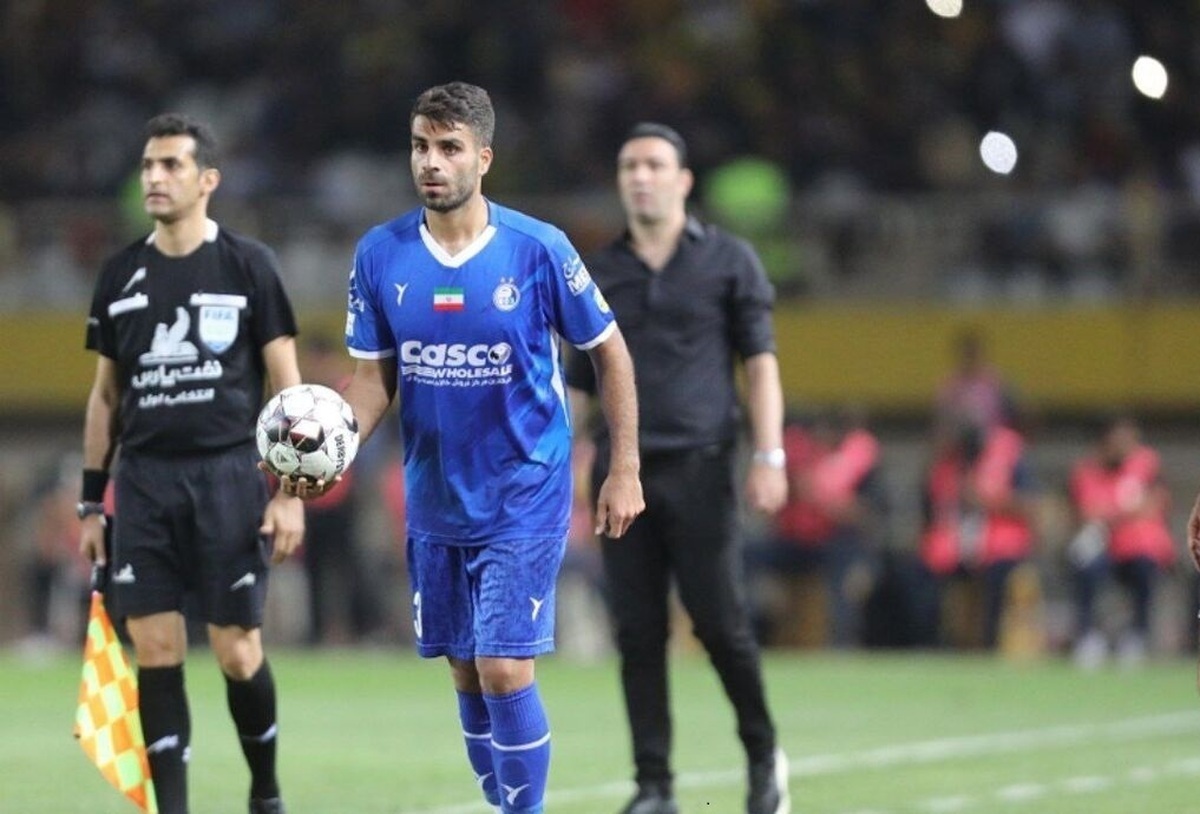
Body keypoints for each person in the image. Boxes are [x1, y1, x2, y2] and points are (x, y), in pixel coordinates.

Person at [289, 82, 644, 814]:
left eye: (449, 148)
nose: (431, 162)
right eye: (421, 146)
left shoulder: (537, 249)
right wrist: (331, 447)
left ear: (483, 158)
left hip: (525, 486)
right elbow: (372, 381)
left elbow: (609, 351)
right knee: (464, 668)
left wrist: (624, 467)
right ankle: (503, 793)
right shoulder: (380, 254)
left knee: (503, 667)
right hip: (435, 494)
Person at [78, 113, 303, 814]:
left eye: (171, 164)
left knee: (238, 652)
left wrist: (289, 493)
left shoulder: (248, 265)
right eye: (148, 165)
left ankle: (265, 792)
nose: (154, 176)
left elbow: (287, 388)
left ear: (208, 180)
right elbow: (105, 396)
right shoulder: (120, 274)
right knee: (155, 649)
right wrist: (91, 503)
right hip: (143, 483)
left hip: (228, 476)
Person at [565, 123, 791, 814]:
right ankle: (653, 785)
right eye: (629, 165)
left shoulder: (729, 260)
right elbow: (577, 381)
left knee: (721, 624)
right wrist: (561, 465)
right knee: (637, 634)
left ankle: (763, 756)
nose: (641, 176)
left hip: (702, 466)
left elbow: (760, 364)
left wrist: (769, 454)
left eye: (655, 165)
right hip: (619, 474)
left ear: (684, 180)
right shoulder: (597, 271)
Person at [917, 419, 1037, 649]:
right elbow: (932, 516)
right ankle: (937, 643)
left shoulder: (1007, 458)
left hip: (999, 546)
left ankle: (987, 645)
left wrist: (988, 501)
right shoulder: (944, 469)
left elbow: (1031, 505)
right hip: (957, 546)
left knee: (996, 577)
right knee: (923, 576)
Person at [1068, 415, 1175, 668]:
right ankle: (1087, 636)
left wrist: (1112, 513)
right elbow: (1086, 513)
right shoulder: (1087, 470)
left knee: (1145, 568)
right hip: (1103, 547)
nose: (1125, 447)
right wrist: (1126, 511)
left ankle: (1137, 636)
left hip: (1136, 548)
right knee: (1085, 566)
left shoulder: (1147, 464)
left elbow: (1155, 503)